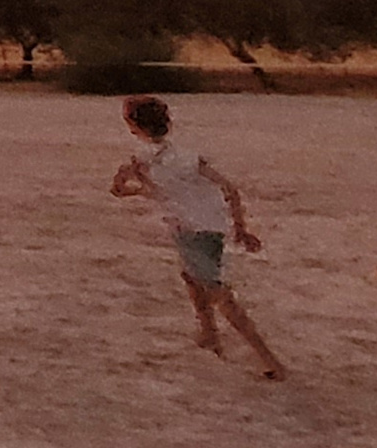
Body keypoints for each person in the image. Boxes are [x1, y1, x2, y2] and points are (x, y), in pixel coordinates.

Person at [107, 95, 285, 379]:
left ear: (133, 126)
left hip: (190, 230)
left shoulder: (143, 160)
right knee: (192, 277)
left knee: (219, 293)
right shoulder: (186, 157)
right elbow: (230, 189)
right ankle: (209, 333)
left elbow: (124, 191)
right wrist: (240, 227)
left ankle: (270, 361)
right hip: (209, 226)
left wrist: (136, 182)